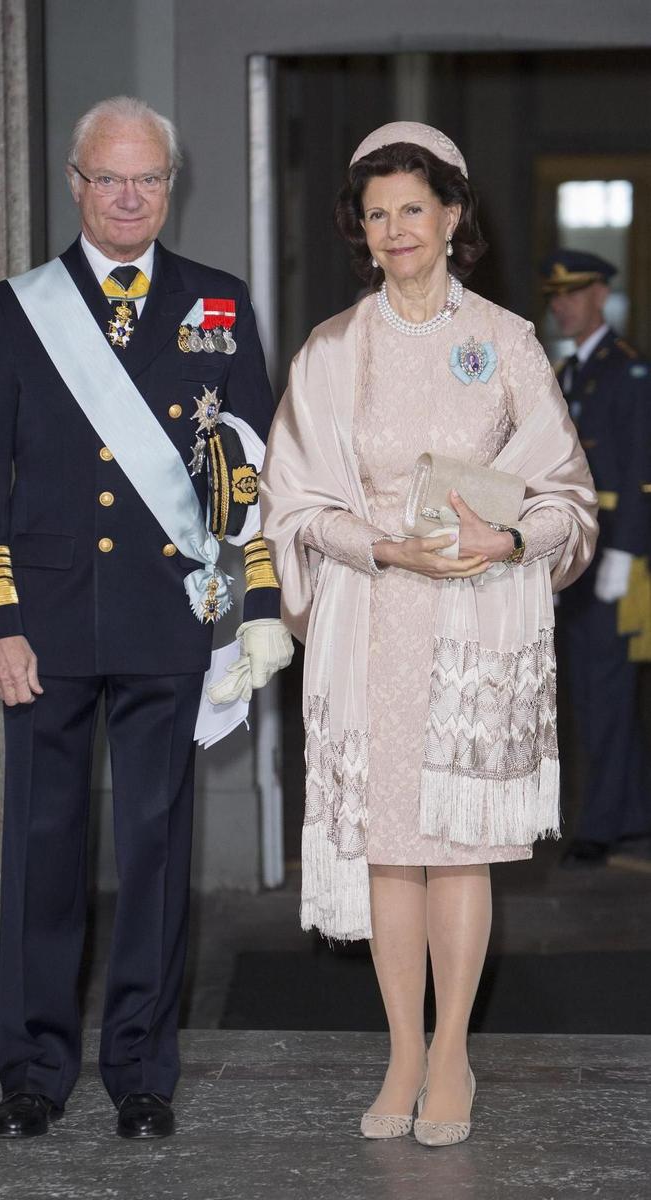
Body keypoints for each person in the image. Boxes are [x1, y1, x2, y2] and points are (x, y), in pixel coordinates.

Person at [0, 95, 292, 1141]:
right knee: (42, 851)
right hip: (45, 624)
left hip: (166, 620)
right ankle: (33, 1074)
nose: (130, 195)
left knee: (154, 852)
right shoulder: (17, 310)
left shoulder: (219, 306)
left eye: (148, 177)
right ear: (75, 183)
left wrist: (253, 614)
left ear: (169, 185)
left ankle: (142, 1072)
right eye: (110, 177)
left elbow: (249, 480)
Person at [261, 122, 597, 1147]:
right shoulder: (333, 348)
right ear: (359, 233)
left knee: (458, 852)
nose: (396, 230)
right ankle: (400, 1047)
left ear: (452, 217)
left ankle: (452, 1049)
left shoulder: (503, 340)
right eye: (377, 215)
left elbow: (568, 499)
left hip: (474, 622)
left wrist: (508, 536)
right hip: (372, 618)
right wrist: (375, 548)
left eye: (414, 209)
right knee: (388, 854)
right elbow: (290, 508)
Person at [541, 250, 651, 868]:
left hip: (613, 553)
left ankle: (602, 823)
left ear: (601, 295)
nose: (561, 303)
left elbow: (641, 472)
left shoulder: (628, 371)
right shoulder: (570, 370)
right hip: (578, 548)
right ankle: (631, 810)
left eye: (574, 293)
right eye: (555, 294)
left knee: (605, 693)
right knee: (591, 688)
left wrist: (627, 552)